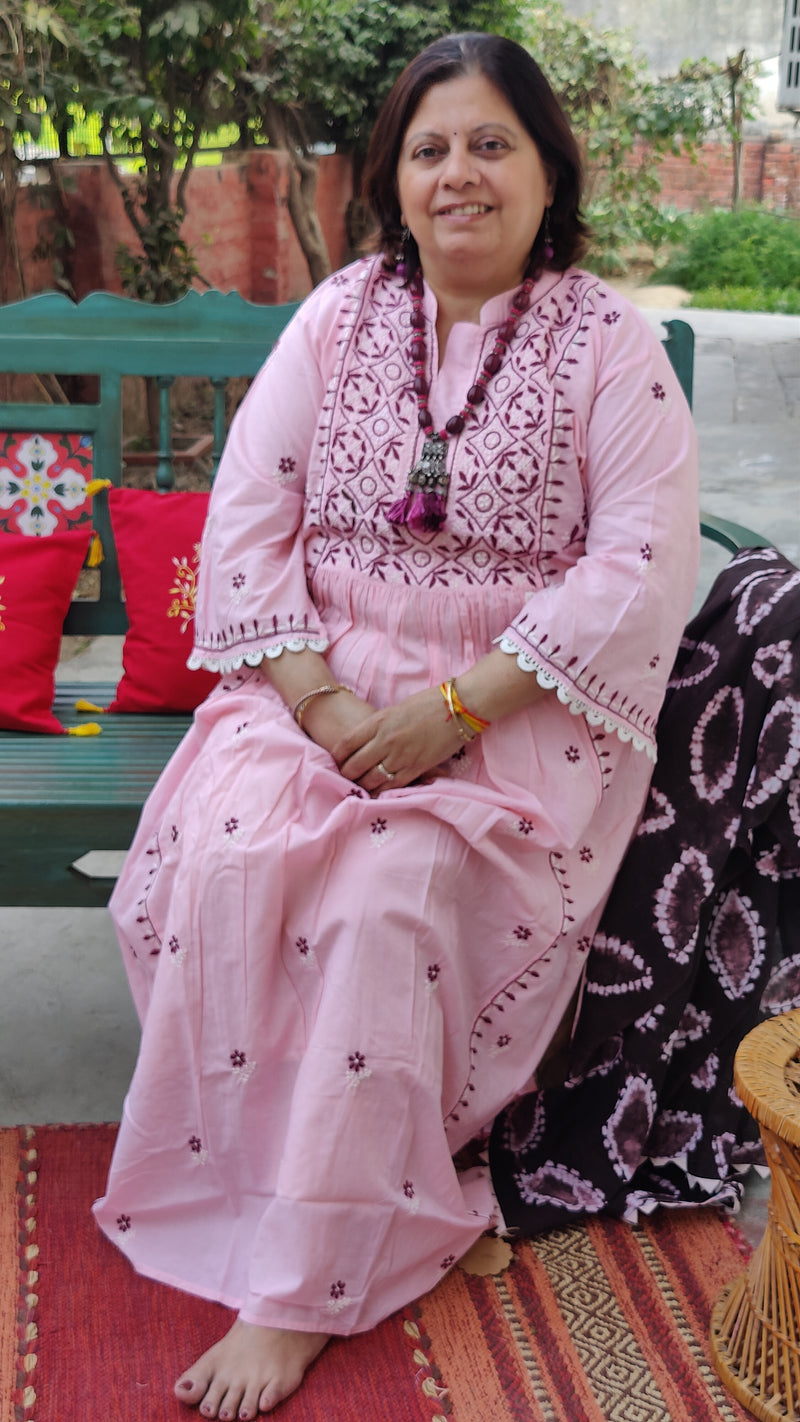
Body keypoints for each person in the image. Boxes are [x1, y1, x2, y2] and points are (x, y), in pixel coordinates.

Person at [93, 30, 699, 1421]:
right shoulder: (339, 317)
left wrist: (447, 710)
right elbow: (250, 514)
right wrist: (316, 699)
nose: (459, 175)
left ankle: (302, 1283)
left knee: (385, 898)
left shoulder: (606, 345)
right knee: (233, 855)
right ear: (393, 180)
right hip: (319, 690)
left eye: (491, 144)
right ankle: (255, 1174)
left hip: (516, 710)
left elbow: (640, 564)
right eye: (430, 150)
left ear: (550, 169)